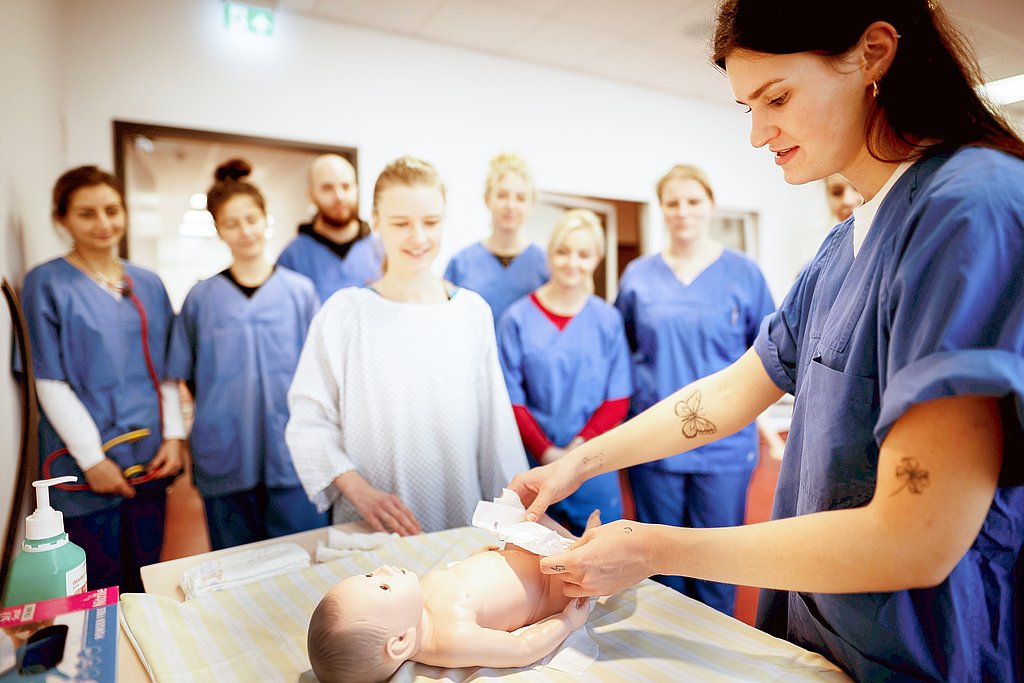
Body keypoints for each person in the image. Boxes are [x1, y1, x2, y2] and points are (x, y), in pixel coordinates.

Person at [508, 1, 1024, 680]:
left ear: (874, 54)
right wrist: (580, 462)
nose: (757, 134)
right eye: (747, 106)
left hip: (921, 647)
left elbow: (917, 535)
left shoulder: (970, 209)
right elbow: (732, 390)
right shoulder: (845, 243)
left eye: (776, 97)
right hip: (823, 633)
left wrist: (655, 549)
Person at [286, 156, 528, 536]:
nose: (418, 238)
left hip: (459, 521)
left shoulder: (470, 312)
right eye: (401, 223)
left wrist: (517, 519)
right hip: (369, 524)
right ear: (376, 221)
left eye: (431, 222)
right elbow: (308, 421)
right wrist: (360, 492)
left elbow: (496, 435)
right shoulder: (345, 314)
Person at [612, 163, 775, 615]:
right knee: (657, 567)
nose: (682, 211)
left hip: (724, 446)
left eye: (692, 201)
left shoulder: (744, 275)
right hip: (655, 443)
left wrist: (765, 430)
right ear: (661, 209)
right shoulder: (638, 278)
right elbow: (621, 354)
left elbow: (770, 358)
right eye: (672, 202)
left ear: (710, 206)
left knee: (717, 563)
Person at [20, 166, 184, 592]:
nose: (104, 223)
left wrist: (174, 437)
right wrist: (92, 459)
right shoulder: (46, 283)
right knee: (96, 587)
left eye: (112, 210)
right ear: (62, 220)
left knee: (145, 579)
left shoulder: (147, 283)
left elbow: (169, 370)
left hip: (150, 454)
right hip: (83, 465)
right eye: (87, 213)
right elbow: (48, 379)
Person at [167, 159, 327, 550]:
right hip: (224, 452)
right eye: (232, 223)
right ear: (218, 229)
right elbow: (183, 377)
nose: (245, 231)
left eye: (252, 219)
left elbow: (323, 374)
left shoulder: (300, 292)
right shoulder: (202, 297)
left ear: (265, 219)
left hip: (291, 452)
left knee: (301, 562)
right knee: (235, 563)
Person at [306, 512, 597, 683]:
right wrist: (566, 622)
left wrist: (478, 560)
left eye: (370, 575)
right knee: (592, 560)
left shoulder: (416, 602)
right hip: (554, 585)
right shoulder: (450, 638)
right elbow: (522, 648)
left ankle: (580, 537)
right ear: (401, 642)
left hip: (519, 553)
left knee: (529, 516)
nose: (382, 570)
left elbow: (461, 580)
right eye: (383, 587)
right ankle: (591, 540)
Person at [497, 209, 631, 536]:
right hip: (534, 463)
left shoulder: (607, 319)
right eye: (563, 251)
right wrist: (548, 452)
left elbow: (618, 398)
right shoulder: (516, 319)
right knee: (530, 561)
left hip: (593, 465)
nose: (572, 262)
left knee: (601, 558)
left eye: (583, 254)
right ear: (549, 254)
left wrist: (578, 451)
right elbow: (510, 399)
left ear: (597, 258)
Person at [443, 152, 548, 324]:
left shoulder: (546, 265)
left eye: (520, 198)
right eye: (502, 196)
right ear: (487, 198)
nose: (511, 205)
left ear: (532, 204)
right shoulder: (461, 264)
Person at [276, 154, 383, 302]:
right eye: (327, 188)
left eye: (346, 186)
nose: (339, 196)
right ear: (311, 195)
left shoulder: (382, 249)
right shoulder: (292, 257)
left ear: (356, 190)